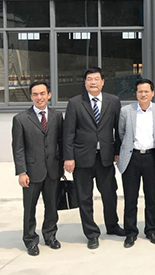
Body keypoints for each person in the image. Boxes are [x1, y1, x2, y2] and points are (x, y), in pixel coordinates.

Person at [63, 67, 124, 249]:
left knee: (110, 194)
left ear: (103, 82)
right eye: (89, 79)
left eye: (96, 79)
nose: (93, 82)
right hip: (82, 158)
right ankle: (91, 233)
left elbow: (118, 129)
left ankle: (112, 226)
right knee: (85, 197)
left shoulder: (113, 101)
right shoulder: (75, 103)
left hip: (105, 157)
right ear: (85, 83)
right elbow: (68, 132)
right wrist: (68, 157)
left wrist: (117, 151)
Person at [12, 81, 63, 256]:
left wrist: (62, 166)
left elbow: (60, 142)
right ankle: (30, 240)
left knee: (52, 206)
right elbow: (18, 148)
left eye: (42, 93)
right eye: (35, 94)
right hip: (32, 172)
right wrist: (22, 172)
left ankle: (50, 236)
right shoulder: (20, 119)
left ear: (49, 95)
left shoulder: (57, 116)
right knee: (30, 208)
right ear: (31, 96)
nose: (39, 97)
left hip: (53, 170)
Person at [118, 79, 155, 248]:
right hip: (132, 158)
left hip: (152, 157)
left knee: (151, 197)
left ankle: (151, 230)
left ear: (152, 93)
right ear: (136, 93)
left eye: (146, 91)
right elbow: (121, 133)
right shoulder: (126, 111)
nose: (143, 94)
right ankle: (130, 232)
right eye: (140, 91)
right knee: (130, 198)